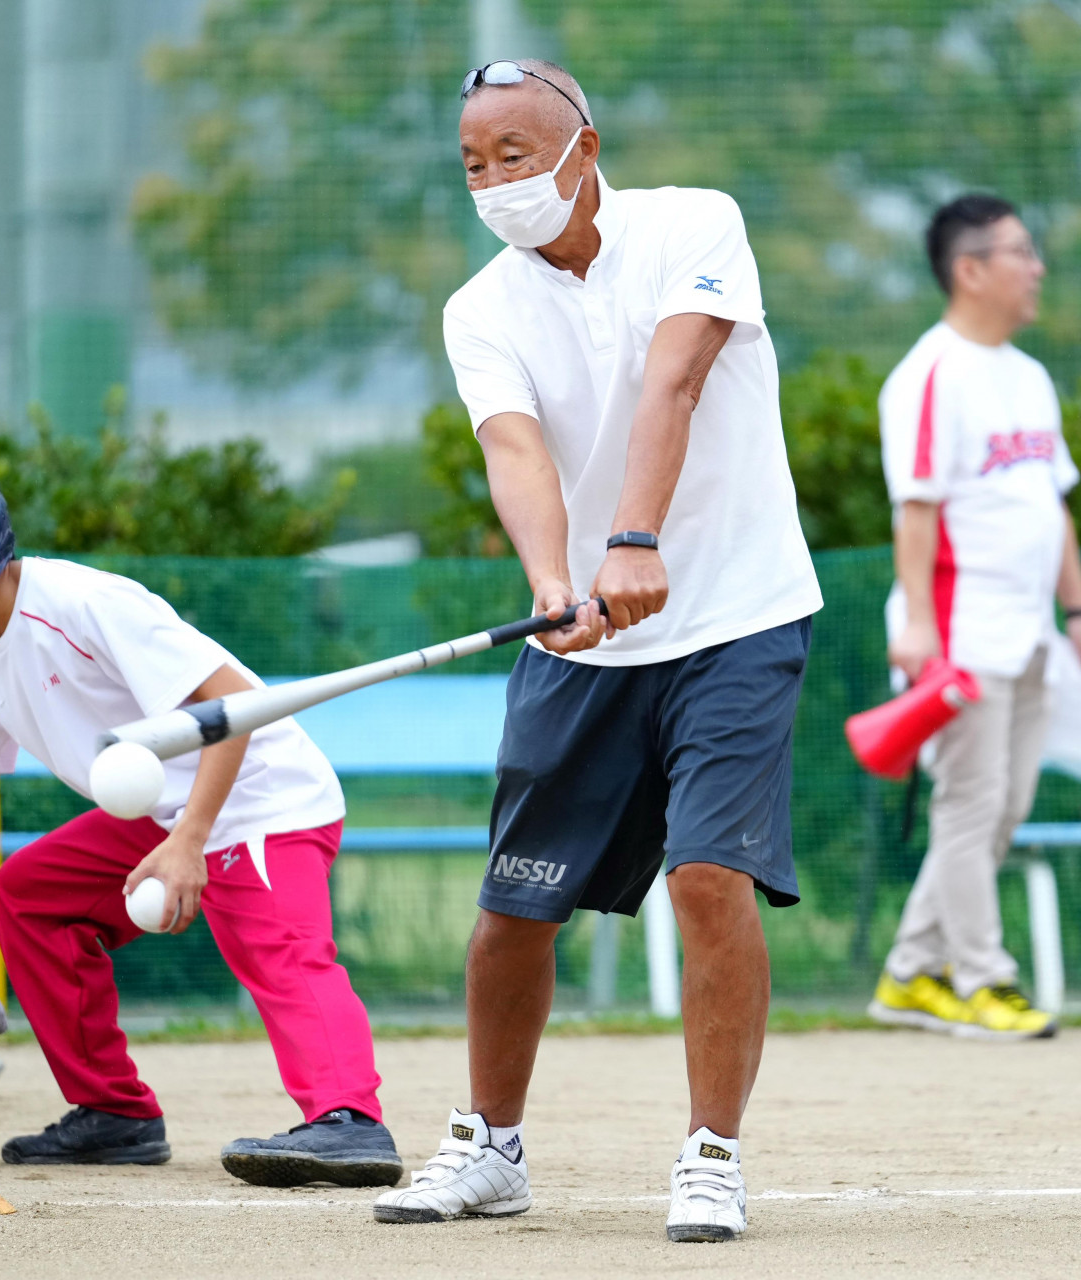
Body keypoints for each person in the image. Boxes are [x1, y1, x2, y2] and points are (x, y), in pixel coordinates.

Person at [372, 60, 822, 1243]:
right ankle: (491, 1145)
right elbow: (514, 453)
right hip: (585, 637)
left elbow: (673, 381)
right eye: (473, 162)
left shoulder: (692, 222)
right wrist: (553, 580)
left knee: (708, 877)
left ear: (583, 146)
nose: (494, 180)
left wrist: (632, 536)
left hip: (736, 612)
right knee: (512, 912)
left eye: (514, 154)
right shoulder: (480, 309)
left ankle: (712, 1154)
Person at [0, 434, 402, 1186]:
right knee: (31, 893)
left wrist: (192, 843)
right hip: (168, 813)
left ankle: (350, 1121)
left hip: (258, 793)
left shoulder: (78, 602)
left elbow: (235, 705)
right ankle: (114, 1114)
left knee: (277, 952)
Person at [865, 193, 1081, 1041]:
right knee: (970, 807)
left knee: (1002, 808)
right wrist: (921, 630)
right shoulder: (931, 374)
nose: (1035, 268)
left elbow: (1054, 504)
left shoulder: (1029, 375)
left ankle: (907, 974)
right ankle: (981, 979)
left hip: (1029, 630)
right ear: (970, 270)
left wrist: (1078, 610)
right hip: (961, 634)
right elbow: (916, 511)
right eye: (1019, 253)